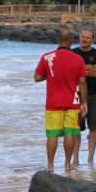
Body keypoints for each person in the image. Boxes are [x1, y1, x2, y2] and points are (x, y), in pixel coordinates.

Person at [33, 27, 88, 173]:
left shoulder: (47, 57)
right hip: (72, 102)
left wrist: (50, 76)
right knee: (69, 134)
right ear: (71, 41)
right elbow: (82, 82)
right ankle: (67, 164)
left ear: (58, 40)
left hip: (53, 103)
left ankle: (50, 165)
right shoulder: (78, 59)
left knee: (52, 135)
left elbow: (37, 78)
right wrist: (84, 102)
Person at [70, 27, 96, 168]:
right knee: (75, 128)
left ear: (93, 39)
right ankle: (75, 159)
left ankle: (91, 158)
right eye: (83, 36)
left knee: (94, 127)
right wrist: (88, 68)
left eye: (88, 37)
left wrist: (80, 70)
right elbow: (71, 73)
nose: (84, 39)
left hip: (95, 94)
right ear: (79, 37)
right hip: (76, 95)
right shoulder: (73, 53)